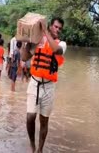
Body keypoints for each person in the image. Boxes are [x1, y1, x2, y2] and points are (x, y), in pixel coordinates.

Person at [21, 17, 67, 153]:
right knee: (30, 116)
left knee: (44, 120)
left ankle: (40, 149)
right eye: (56, 27)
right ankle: (32, 144)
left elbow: (55, 50)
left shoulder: (62, 44)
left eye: (60, 28)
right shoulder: (38, 42)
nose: (57, 30)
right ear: (51, 26)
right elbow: (24, 58)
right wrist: (27, 42)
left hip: (49, 86)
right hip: (35, 82)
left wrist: (45, 31)